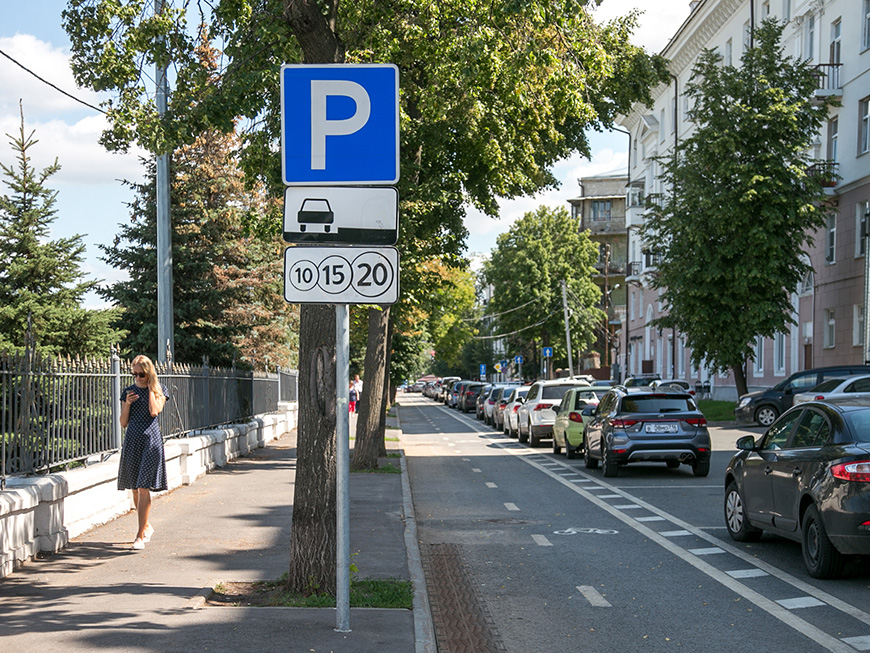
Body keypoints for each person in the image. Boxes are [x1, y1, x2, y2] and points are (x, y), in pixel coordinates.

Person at [117, 355, 169, 550]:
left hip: (151, 441)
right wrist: (128, 403)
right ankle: (146, 525)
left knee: (144, 487)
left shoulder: (159, 390)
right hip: (132, 440)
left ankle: (139, 535)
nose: (137, 377)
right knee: (134, 487)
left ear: (149, 373)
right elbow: (123, 423)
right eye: (134, 374)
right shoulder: (128, 392)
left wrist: (149, 389)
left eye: (141, 374)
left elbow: (155, 411)